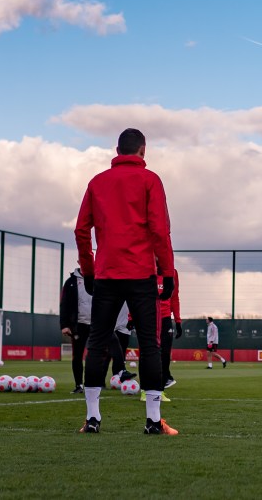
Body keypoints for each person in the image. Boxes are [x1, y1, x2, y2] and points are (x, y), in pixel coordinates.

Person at [74, 128, 177, 435]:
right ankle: (153, 420)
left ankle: (92, 419)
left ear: (117, 150)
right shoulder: (150, 180)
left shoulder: (97, 181)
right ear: (142, 151)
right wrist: (167, 272)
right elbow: (160, 230)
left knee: (97, 342)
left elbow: (81, 230)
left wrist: (88, 270)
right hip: (141, 274)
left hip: (106, 273)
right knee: (149, 344)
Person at [60, 265, 93, 393]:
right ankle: (79, 385)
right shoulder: (71, 282)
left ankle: (93, 384)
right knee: (77, 356)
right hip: (78, 325)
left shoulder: (99, 279)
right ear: (79, 261)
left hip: (96, 324)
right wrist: (64, 325)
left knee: (95, 355)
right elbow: (64, 304)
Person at [158, 268, 182, 389]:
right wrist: (132, 317)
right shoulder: (145, 268)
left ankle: (164, 379)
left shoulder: (172, 272)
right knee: (150, 351)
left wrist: (178, 321)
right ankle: (148, 384)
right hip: (149, 317)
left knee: (165, 351)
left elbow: (175, 297)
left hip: (166, 317)